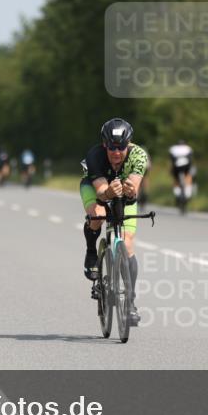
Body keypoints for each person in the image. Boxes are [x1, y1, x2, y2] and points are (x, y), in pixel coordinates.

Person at [80, 117, 149, 326]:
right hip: (95, 187)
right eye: (111, 147)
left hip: (124, 194)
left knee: (127, 242)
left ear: (128, 144)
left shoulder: (138, 155)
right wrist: (109, 191)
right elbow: (101, 191)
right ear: (104, 145)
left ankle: (130, 303)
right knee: (98, 215)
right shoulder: (95, 156)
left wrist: (129, 190)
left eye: (121, 147)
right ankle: (92, 251)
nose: (116, 152)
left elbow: (134, 186)